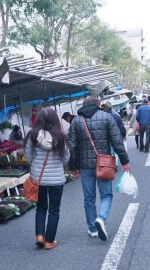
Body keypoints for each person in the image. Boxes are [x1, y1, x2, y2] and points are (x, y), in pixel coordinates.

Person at [69, 96, 130, 242]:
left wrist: (73, 167)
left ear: (83, 105)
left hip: (85, 166)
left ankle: (93, 229)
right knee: (106, 195)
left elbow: (72, 147)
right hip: (104, 164)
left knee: (89, 198)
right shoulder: (107, 117)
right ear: (98, 105)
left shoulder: (76, 121)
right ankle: (101, 218)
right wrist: (125, 161)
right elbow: (117, 142)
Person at [24, 108, 70, 250]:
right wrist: (57, 165)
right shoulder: (61, 136)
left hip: (39, 179)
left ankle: (39, 236)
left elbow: (28, 155)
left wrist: (36, 164)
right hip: (57, 180)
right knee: (54, 210)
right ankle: (49, 241)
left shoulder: (32, 135)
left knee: (41, 208)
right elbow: (66, 158)